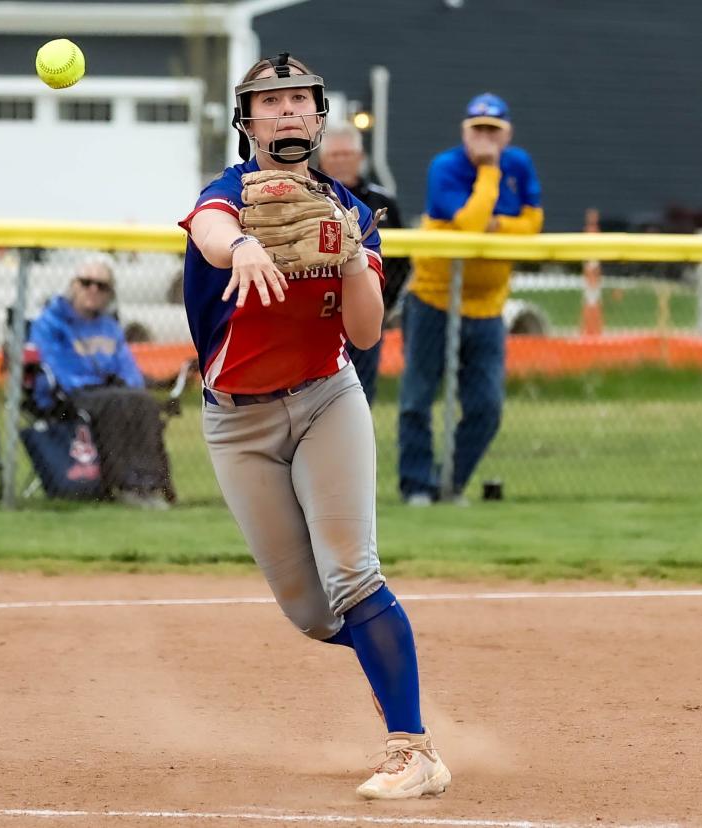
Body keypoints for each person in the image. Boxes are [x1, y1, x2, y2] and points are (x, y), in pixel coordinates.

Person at [178, 52, 450, 800]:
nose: (289, 111)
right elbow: (207, 228)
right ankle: (392, 673)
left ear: (320, 116)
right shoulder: (227, 195)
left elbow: (363, 334)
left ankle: (412, 747)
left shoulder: (351, 211)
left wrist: (353, 257)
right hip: (237, 424)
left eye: (301, 99)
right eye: (272, 102)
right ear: (247, 121)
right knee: (309, 610)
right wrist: (242, 244)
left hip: (326, 399)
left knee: (353, 572)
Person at [399, 93, 543, 506]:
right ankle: (417, 486)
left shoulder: (520, 164)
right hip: (434, 299)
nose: (485, 138)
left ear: (507, 133)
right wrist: (489, 173)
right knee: (417, 399)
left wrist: (498, 221)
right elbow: (469, 225)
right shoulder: (445, 167)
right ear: (465, 132)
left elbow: (534, 223)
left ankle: (450, 483)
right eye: (478, 130)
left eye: (493, 132)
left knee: (486, 406)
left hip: (487, 306)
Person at [29, 255, 174, 508]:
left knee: (143, 401)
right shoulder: (49, 323)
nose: (93, 289)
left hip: (107, 392)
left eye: (102, 285)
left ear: (110, 292)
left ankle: (152, 484)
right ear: (73, 285)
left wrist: (129, 386)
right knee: (117, 402)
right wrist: (98, 382)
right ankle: (127, 484)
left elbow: (128, 368)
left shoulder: (109, 327)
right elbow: (57, 368)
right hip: (66, 395)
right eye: (87, 282)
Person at [317, 122, 408, 405]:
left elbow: (401, 260)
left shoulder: (382, 202)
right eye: (335, 155)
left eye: (347, 154)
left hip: (364, 310)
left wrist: (382, 301)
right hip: (320, 316)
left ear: (360, 157)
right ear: (322, 160)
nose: (341, 161)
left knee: (360, 392)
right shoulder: (308, 198)